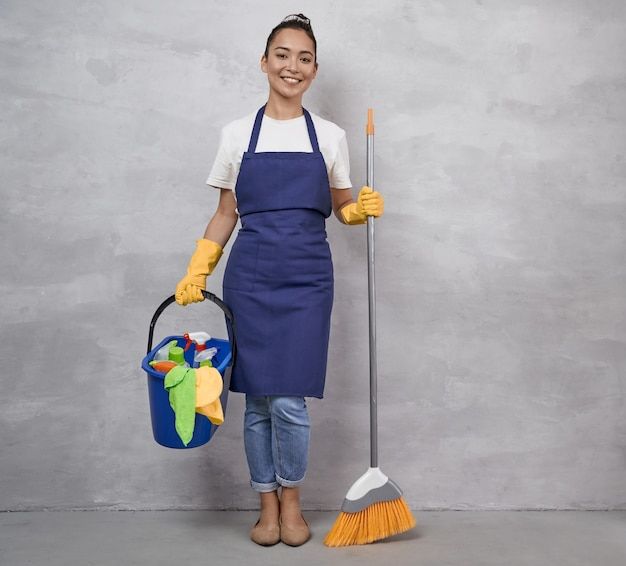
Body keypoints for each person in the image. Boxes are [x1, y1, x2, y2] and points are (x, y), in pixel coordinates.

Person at [174, 13, 384, 547]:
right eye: (284, 55)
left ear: (314, 69)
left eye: (305, 58)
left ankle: (292, 501)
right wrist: (199, 269)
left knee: (289, 400)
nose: (293, 66)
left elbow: (339, 206)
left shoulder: (331, 136)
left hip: (308, 280)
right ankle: (265, 505)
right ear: (265, 62)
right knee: (257, 400)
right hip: (251, 278)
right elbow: (227, 212)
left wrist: (357, 211)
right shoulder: (237, 134)